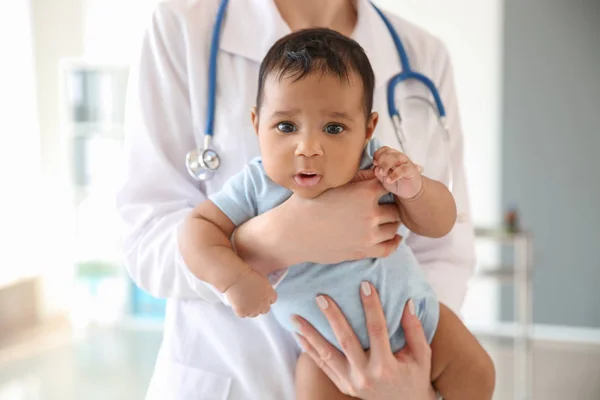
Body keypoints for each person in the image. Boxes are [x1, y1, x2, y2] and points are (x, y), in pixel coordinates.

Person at [116, 0, 478, 398]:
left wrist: (412, 385)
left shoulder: (385, 140)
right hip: (259, 368)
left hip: (408, 343)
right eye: (286, 126)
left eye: (335, 127)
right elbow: (157, 235)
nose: (308, 147)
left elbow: (444, 239)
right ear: (256, 123)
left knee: (479, 371)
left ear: (367, 127)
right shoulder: (182, 26)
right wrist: (277, 243)